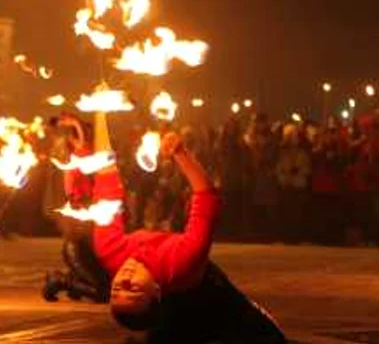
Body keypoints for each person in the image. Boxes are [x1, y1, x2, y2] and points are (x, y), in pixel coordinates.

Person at [47, 113, 285, 343]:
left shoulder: (110, 251)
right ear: (156, 291)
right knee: (266, 338)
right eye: (134, 290)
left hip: (167, 318)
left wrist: (100, 111)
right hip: (209, 295)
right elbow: (206, 197)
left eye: (117, 288)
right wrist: (180, 153)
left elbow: (107, 180)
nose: (125, 279)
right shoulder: (182, 260)